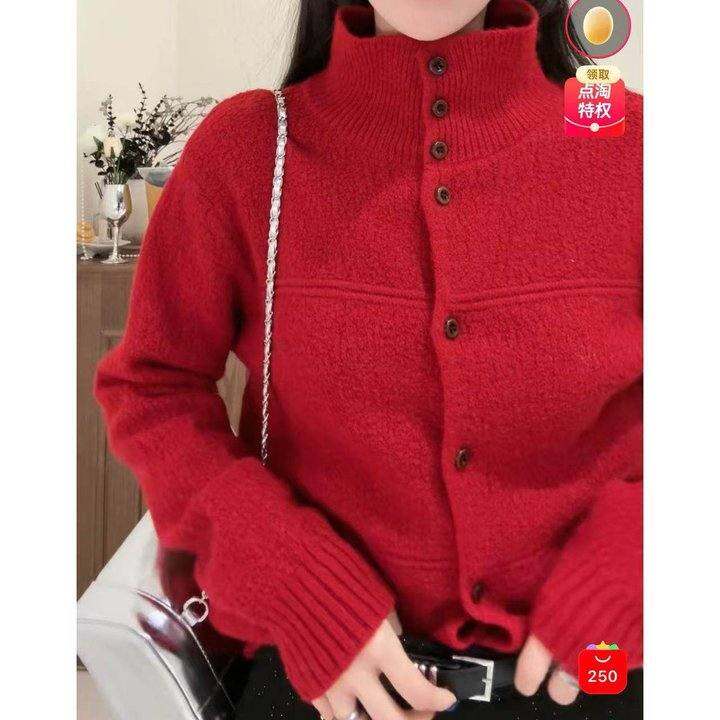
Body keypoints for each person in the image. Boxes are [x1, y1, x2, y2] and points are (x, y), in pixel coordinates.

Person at [95, 1, 642, 718]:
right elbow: (153, 387)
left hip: (598, 676)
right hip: (319, 686)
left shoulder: (635, 144)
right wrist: (294, 581)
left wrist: (633, 561)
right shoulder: (250, 149)